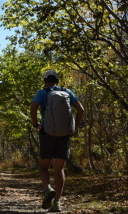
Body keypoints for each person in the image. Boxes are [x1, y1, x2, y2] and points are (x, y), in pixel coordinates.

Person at [30, 70, 84, 212]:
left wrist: (36, 125)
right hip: (64, 135)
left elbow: (33, 107)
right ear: (57, 81)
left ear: (45, 80)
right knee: (59, 168)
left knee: (43, 166)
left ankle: (48, 188)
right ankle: (57, 202)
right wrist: (74, 127)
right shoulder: (67, 92)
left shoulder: (42, 93)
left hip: (47, 133)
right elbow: (81, 109)